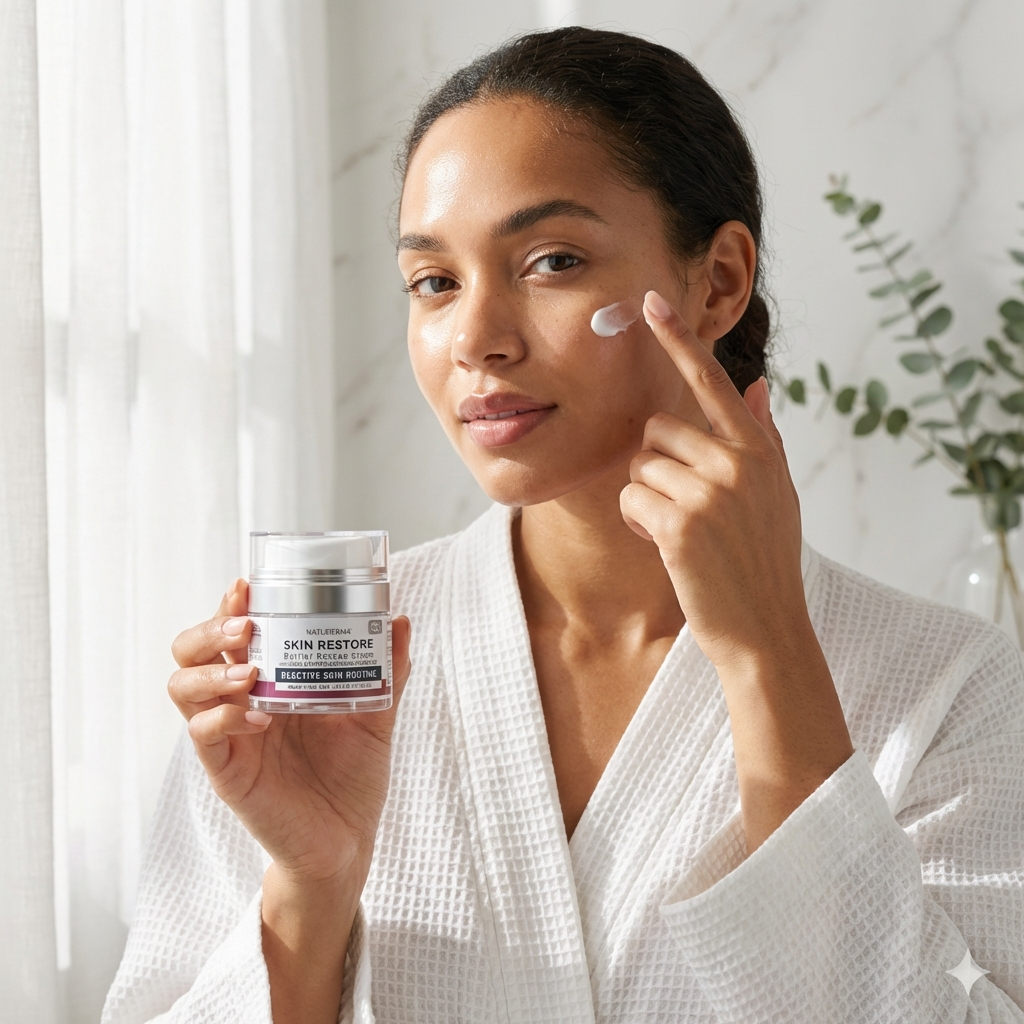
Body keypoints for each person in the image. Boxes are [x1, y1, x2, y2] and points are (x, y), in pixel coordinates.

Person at [102, 27, 1024, 1024]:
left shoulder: (951, 689)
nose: (477, 339)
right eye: (434, 282)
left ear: (715, 280)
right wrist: (309, 885)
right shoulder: (316, 682)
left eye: (550, 260)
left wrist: (770, 661)